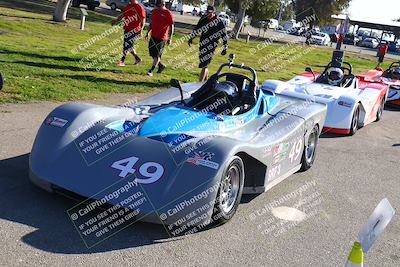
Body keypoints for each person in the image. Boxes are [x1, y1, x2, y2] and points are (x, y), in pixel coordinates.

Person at [188, 5, 228, 82]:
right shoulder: (203, 19)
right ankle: (206, 82)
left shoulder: (219, 22)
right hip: (203, 43)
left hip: (212, 45)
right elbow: (197, 29)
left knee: (205, 65)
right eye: (207, 12)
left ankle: (199, 84)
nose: (208, 14)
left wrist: (225, 46)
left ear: (214, 12)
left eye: (210, 12)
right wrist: (191, 38)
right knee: (203, 63)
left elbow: (224, 35)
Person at [112, 0, 146, 67]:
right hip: (127, 28)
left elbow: (143, 19)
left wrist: (141, 30)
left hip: (135, 30)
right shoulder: (128, 6)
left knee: (127, 45)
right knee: (129, 46)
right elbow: (123, 15)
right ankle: (137, 58)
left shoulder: (139, 7)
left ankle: (122, 61)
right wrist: (116, 20)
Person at [145, 0, 174, 77]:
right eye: (156, 5)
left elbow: (172, 26)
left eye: (158, 5)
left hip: (162, 37)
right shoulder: (155, 11)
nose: (157, 7)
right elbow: (151, 22)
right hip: (153, 35)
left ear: (163, 4)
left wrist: (170, 38)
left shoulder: (168, 13)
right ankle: (161, 65)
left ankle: (151, 70)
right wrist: (147, 32)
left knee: (157, 55)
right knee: (152, 53)